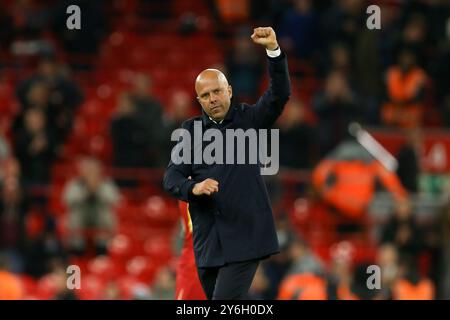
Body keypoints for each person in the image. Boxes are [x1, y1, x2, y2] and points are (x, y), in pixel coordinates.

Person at [163, 27, 291, 300]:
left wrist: (274, 52)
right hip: (208, 244)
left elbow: (279, 95)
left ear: (229, 91)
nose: (213, 99)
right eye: (206, 95)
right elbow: (171, 178)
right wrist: (193, 188)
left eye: (217, 92)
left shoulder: (249, 120)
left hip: (246, 238)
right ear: (198, 100)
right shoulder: (190, 132)